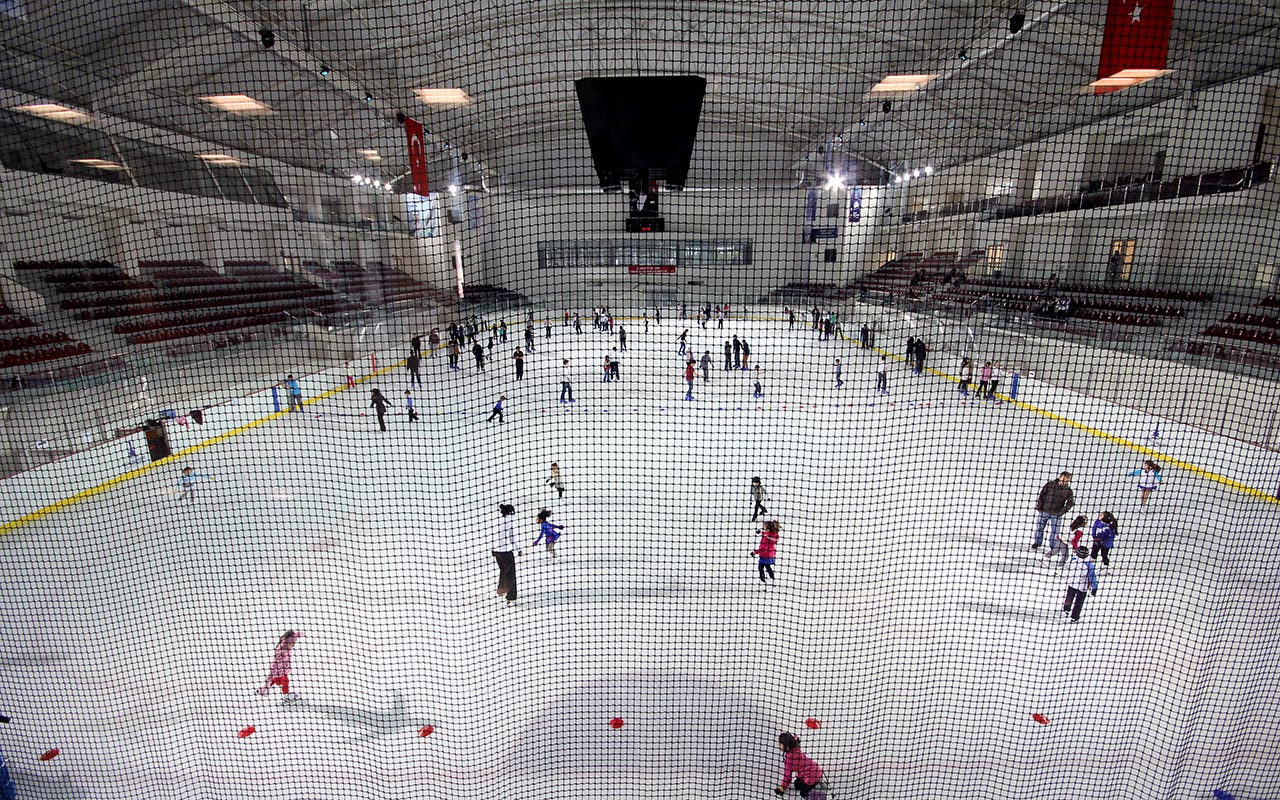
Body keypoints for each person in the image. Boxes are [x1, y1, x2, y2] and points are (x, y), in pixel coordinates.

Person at [1032, 472, 1074, 551]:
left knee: (1055, 531)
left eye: (1066, 481)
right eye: (1062, 480)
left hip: (1056, 514)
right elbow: (1042, 495)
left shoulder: (1069, 491)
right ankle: (1037, 542)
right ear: (1059, 478)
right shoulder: (1050, 485)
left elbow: (1070, 503)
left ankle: (1053, 546)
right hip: (1044, 510)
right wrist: (1039, 507)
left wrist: (1060, 512)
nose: (1063, 483)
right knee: (1039, 527)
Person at [257, 630, 303, 702]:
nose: (293, 645)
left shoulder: (285, 647)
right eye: (291, 643)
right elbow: (276, 662)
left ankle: (263, 690)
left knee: (273, 680)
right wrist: (275, 671)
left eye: (294, 643)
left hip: (282, 671)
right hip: (279, 671)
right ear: (287, 642)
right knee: (285, 681)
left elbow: (299, 634)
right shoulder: (282, 651)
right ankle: (286, 695)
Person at [775, 732, 824, 797]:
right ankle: (816, 780)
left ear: (787, 746)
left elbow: (788, 777)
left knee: (803, 794)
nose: (779, 745)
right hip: (814, 768)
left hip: (812, 775)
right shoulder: (796, 749)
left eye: (781, 743)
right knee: (797, 785)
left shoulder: (789, 759)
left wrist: (782, 787)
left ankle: (816, 783)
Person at [1062, 546, 1099, 623]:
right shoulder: (1089, 565)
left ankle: (1066, 609)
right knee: (1079, 602)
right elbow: (1092, 577)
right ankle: (1074, 616)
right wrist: (1094, 587)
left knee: (1069, 597)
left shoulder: (1073, 560)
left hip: (1072, 583)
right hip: (1082, 587)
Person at [493, 504, 520, 605]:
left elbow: (493, 534)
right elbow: (513, 537)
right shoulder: (510, 521)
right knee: (510, 574)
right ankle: (511, 597)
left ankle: (501, 589)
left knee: (503, 570)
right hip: (506, 550)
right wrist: (519, 549)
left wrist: (493, 548)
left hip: (497, 551)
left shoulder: (496, 521)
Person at [753, 519, 779, 586]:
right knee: (767, 567)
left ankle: (763, 581)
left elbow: (763, 549)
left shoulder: (767, 537)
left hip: (765, 555)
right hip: (770, 555)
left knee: (761, 567)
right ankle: (772, 579)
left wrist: (755, 552)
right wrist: (760, 531)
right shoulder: (771, 534)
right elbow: (764, 533)